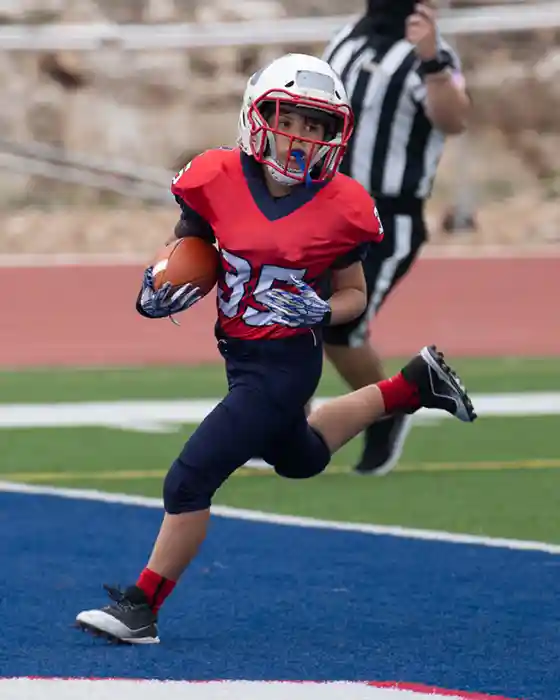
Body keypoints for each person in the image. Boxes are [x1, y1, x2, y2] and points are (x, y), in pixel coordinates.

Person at [75, 52, 476, 644]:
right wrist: (163, 281)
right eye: (290, 118)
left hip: (285, 363)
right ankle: (412, 385)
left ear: (334, 134)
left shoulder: (342, 206)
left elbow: (353, 295)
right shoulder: (214, 176)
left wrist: (321, 310)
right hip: (239, 353)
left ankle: (142, 606)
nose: (301, 138)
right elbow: (189, 244)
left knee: (189, 481)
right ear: (257, 115)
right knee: (301, 456)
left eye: (316, 126)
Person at [320, 0, 470, 475]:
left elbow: (454, 119)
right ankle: (281, 421)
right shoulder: (348, 37)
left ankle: (389, 409)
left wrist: (431, 59)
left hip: (385, 215)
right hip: (322, 205)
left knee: (340, 325)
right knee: (286, 314)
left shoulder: (430, 54)